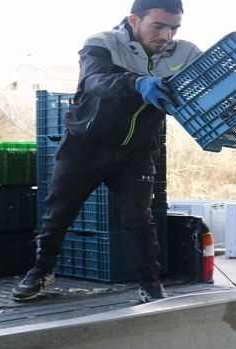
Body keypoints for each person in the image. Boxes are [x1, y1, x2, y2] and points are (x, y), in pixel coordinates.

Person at [12, 0, 201, 302]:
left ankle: (150, 283)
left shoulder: (186, 53)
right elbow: (94, 82)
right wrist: (137, 82)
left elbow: (208, 82)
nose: (166, 35)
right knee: (58, 213)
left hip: (136, 151)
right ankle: (41, 270)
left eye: (174, 28)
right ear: (134, 20)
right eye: (159, 26)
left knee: (139, 219)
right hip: (85, 144)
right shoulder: (103, 43)